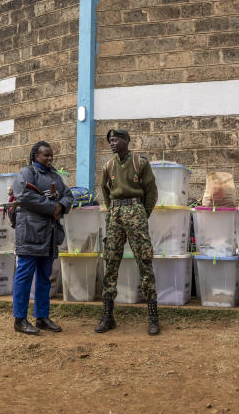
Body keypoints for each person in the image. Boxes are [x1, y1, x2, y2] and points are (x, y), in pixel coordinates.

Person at [97, 128, 160, 336]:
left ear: (126, 140)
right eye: (110, 141)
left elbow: (151, 191)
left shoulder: (139, 162)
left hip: (136, 210)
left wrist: (142, 213)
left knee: (144, 260)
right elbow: (105, 191)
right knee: (111, 261)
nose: (112, 143)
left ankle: (153, 317)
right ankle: (108, 316)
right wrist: (113, 209)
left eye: (115, 140)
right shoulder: (108, 165)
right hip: (115, 213)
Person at [11, 141, 73, 335]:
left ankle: (42, 317)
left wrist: (61, 206)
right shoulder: (27, 173)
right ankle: (20, 320)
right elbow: (22, 195)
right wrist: (51, 207)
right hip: (30, 233)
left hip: (49, 234)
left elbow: (69, 195)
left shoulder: (55, 175)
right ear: (35, 156)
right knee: (24, 276)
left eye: (51, 155)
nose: (50, 158)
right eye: (46, 155)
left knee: (44, 278)